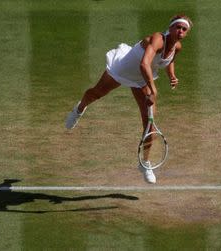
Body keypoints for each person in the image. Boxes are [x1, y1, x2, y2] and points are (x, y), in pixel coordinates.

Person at [65, 14, 193, 184]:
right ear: (170, 28)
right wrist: (153, 88)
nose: (181, 31)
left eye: (184, 29)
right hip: (124, 69)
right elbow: (144, 64)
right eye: (178, 27)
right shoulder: (157, 39)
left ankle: (145, 163)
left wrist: (172, 76)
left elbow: (169, 61)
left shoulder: (177, 47)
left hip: (141, 80)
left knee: (150, 123)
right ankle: (79, 109)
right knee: (95, 94)